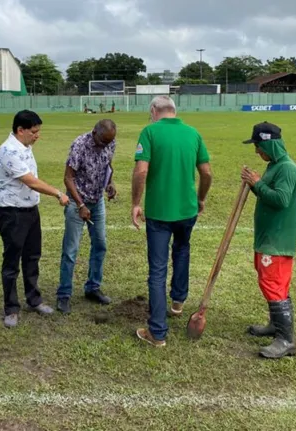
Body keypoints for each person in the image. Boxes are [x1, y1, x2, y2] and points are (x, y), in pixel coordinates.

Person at [131, 95, 213, 347]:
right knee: (182, 251)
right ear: (174, 111)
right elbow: (207, 172)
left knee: (157, 269)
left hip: (159, 213)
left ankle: (157, 332)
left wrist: (135, 203)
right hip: (187, 211)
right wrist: (200, 199)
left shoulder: (150, 132)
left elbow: (141, 170)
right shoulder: (193, 133)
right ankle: (177, 302)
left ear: (154, 110)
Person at [0, 109, 70, 328]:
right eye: (34, 132)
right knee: (12, 261)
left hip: (30, 210)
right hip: (13, 213)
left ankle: (34, 299)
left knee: (32, 256)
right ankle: (11, 308)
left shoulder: (25, 147)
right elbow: (31, 181)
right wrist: (58, 193)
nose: (38, 136)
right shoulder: (8, 150)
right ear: (20, 130)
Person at [240, 121, 296, 359]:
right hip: (268, 236)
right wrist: (255, 184)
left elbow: (281, 200)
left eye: (258, 146)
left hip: (277, 239)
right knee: (272, 282)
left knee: (273, 283)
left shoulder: (287, 168)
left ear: (269, 144)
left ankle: (286, 340)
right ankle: (276, 325)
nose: (256, 151)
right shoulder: (275, 166)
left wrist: (258, 183)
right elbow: (268, 193)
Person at [56, 119, 118, 314]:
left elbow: (108, 165)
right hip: (77, 202)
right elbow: (68, 178)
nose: (105, 146)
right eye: (102, 142)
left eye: (109, 143)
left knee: (100, 245)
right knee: (71, 250)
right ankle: (64, 294)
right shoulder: (80, 145)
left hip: (97, 201)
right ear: (94, 133)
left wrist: (110, 184)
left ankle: (93, 288)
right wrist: (81, 204)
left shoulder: (110, 142)